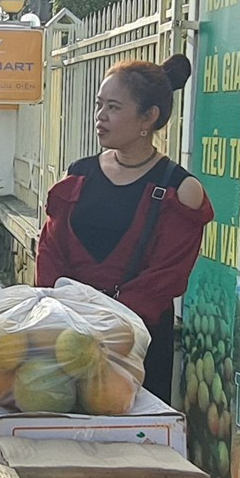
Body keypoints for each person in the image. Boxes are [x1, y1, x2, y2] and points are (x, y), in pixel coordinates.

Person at [36, 57, 210, 403]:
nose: (100, 116)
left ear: (149, 117)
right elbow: (51, 250)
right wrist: (60, 312)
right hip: (65, 338)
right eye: (100, 105)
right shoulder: (80, 174)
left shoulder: (180, 190)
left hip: (134, 346)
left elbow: (165, 278)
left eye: (113, 107)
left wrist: (104, 327)